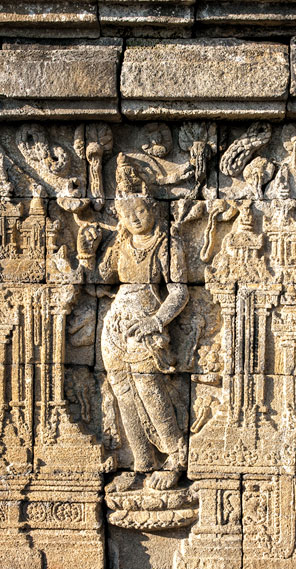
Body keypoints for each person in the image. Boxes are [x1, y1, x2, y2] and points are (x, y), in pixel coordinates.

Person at [80, 154, 189, 491]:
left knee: (148, 387)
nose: (134, 218)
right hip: (115, 325)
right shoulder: (120, 244)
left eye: (139, 211)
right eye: (126, 214)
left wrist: (157, 321)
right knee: (123, 392)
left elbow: (179, 292)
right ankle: (141, 462)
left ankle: (176, 454)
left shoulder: (166, 244)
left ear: (153, 209)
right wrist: (87, 251)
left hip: (144, 324)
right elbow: (100, 280)